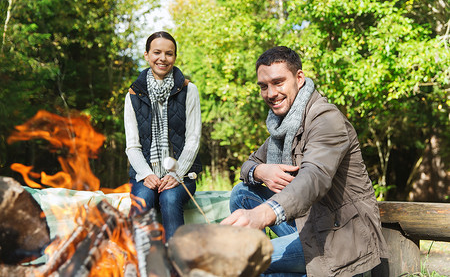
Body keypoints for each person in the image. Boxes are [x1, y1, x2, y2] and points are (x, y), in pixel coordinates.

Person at [221, 46, 388, 276]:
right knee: (242, 192)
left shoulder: (326, 119)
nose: (270, 93)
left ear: (299, 78)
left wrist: (262, 214)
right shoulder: (284, 126)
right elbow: (248, 165)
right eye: (263, 86)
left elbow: (314, 178)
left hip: (338, 234)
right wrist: (262, 171)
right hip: (305, 221)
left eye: (278, 82)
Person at [124, 31, 202, 240]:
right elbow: (132, 145)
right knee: (142, 200)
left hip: (182, 174)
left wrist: (177, 174)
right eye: (157, 52)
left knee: (169, 199)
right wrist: (146, 174)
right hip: (144, 174)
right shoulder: (133, 94)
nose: (163, 58)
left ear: (174, 57)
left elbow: (193, 139)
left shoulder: (189, 90)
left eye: (169, 53)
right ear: (147, 55)